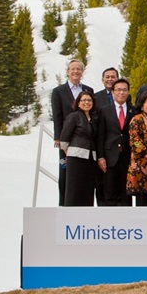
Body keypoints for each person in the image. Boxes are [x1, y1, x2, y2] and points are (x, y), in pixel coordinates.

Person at [51, 58, 94, 205]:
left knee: (83, 176)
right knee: (65, 172)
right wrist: (58, 137)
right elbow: (57, 115)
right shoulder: (58, 91)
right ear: (68, 72)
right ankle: (64, 204)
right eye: (73, 69)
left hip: (84, 140)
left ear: (82, 71)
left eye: (79, 69)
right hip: (66, 139)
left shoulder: (88, 90)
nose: (76, 71)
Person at [96, 77, 135, 206]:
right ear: (112, 92)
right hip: (109, 157)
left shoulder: (133, 111)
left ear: (128, 92)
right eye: (118, 90)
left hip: (128, 156)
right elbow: (101, 135)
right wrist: (100, 156)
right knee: (109, 191)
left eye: (124, 90)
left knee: (126, 192)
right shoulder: (104, 110)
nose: (121, 93)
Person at [59, 91, 97, 206]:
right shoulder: (74, 116)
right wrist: (69, 153)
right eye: (83, 100)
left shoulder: (93, 118)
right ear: (78, 103)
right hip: (76, 158)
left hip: (90, 158)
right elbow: (64, 139)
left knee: (88, 188)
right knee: (75, 188)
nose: (87, 102)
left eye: (89, 100)